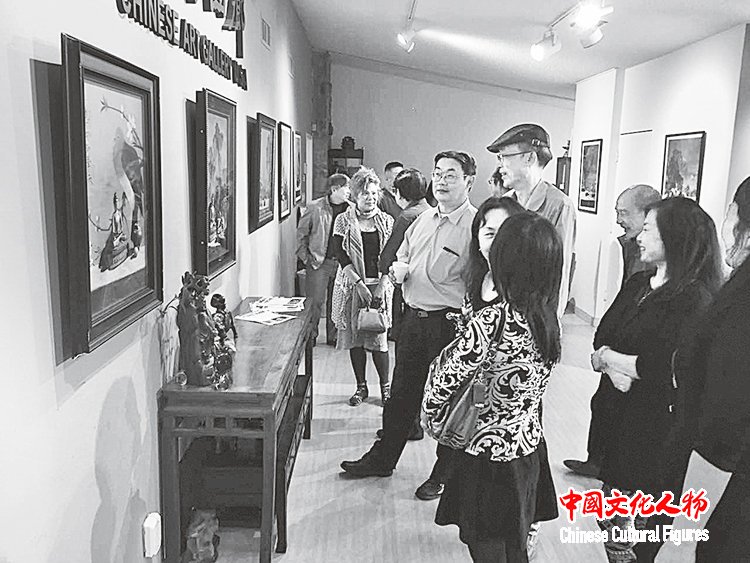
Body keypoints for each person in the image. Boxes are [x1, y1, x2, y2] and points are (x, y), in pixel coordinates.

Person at [423, 211, 563, 562]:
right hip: (526, 447)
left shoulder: (493, 319)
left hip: (484, 453)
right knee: (515, 543)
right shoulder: (546, 318)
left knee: (486, 544)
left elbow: (445, 382)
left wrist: (430, 414)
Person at [591, 197, 723, 563]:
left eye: (648, 230)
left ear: (674, 237)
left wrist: (609, 359)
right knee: (610, 513)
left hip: (655, 429)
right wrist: (611, 362)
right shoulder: (638, 283)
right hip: (617, 419)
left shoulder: (694, 298)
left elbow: (665, 365)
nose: (639, 237)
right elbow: (601, 335)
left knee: (644, 523)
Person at [340, 151, 477, 500]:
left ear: (469, 182)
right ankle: (383, 459)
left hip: (450, 325)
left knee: (450, 401)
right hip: (415, 320)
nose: (442, 181)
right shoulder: (423, 220)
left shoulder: (475, 227)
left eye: (451, 175)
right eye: (438, 173)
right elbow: (401, 255)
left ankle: (443, 474)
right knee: (401, 395)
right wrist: (399, 270)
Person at [655, 178, 750, 563]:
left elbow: (724, 428)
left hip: (725, 504)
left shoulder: (743, 302)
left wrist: (683, 537)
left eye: (730, 211)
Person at [564, 183, 661, 478]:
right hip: (615, 346)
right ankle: (597, 460)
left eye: (624, 213)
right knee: (602, 403)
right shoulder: (625, 246)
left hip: (636, 361)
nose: (619, 220)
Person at [486, 123, 576, 318]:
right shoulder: (505, 203)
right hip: (500, 311)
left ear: (529, 158)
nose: (500, 166)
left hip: (535, 314)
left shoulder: (559, 205)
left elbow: (560, 272)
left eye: (504, 157)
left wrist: (551, 321)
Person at [330, 167, 394, 406]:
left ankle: (385, 388)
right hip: (352, 285)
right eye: (366, 193)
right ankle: (361, 387)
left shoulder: (387, 221)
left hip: (380, 285)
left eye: (374, 193)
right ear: (355, 195)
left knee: (379, 340)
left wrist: (381, 286)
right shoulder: (343, 220)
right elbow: (340, 254)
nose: (371, 197)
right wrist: (358, 284)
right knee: (356, 339)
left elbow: (392, 256)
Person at [296, 173, 351, 345]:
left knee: (337, 302)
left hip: (343, 264)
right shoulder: (315, 208)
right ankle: (311, 336)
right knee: (315, 302)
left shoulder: (352, 210)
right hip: (319, 262)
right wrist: (306, 258)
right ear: (335, 189)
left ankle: (333, 336)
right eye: (346, 188)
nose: (349, 192)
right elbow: (301, 235)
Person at [379, 168, 431, 342]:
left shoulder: (407, 217)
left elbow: (388, 257)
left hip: (408, 285)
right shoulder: (432, 212)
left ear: (400, 193)